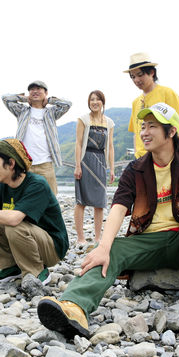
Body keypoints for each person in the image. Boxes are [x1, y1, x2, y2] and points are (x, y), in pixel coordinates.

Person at [37, 103, 179, 338]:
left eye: (152, 126)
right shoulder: (136, 168)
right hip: (148, 242)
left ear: (171, 131)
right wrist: (104, 246)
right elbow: (119, 208)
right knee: (109, 251)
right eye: (143, 127)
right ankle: (74, 306)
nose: (144, 133)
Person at [0, 139, 69, 284]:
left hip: (52, 247)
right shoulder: (4, 185)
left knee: (13, 226)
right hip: (27, 237)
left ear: (11, 163)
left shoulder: (37, 184)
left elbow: (13, 219)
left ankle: (36, 271)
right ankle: (11, 267)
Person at [1, 82, 72, 194]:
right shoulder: (22, 111)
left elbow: (67, 104)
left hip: (46, 164)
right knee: (25, 197)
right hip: (24, 164)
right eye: (32, 89)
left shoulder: (51, 113)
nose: (35, 91)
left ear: (46, 92)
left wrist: (49, 100)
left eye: (39, 89)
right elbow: (5, 98)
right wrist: (24, 98)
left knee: (50, 197)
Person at [73, 90, 115, 246]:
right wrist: (77, 165)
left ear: (103, 102)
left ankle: (98, 237)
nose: (95, 102)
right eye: (92, 99)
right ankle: (80, 237)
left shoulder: (109, 122)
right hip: (85, 160)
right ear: (88, 102)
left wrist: (111, 168)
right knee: (81, 200)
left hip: (101, 161)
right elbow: (78, 143)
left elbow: (110, 146)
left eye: (98, 99)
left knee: (99, 201)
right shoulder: (83, 119)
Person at [125, 53, 179, 158]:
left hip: (164, 157)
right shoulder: (135, 102)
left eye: (140, 75)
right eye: (133, 77)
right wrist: (137, 156)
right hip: (142, 158)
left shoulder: (167, 93)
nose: (136, 80)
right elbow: (136, 133)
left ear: (152, 72)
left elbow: (177, 124)